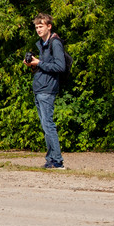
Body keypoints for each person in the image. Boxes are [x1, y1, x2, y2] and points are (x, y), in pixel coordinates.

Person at [24, 13, 69, 169]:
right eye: (36, 27)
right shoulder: (43, 44)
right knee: (45, 125)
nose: (38, 29)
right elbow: (45, 66)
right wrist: (33, 64)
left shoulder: (55, 43)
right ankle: (51, 159)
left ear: (49, 26)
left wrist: (39, 63)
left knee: (48, 125)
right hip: (39, 88)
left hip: (47, 89)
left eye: (41, 26)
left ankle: (57, 160)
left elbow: (60, 66)